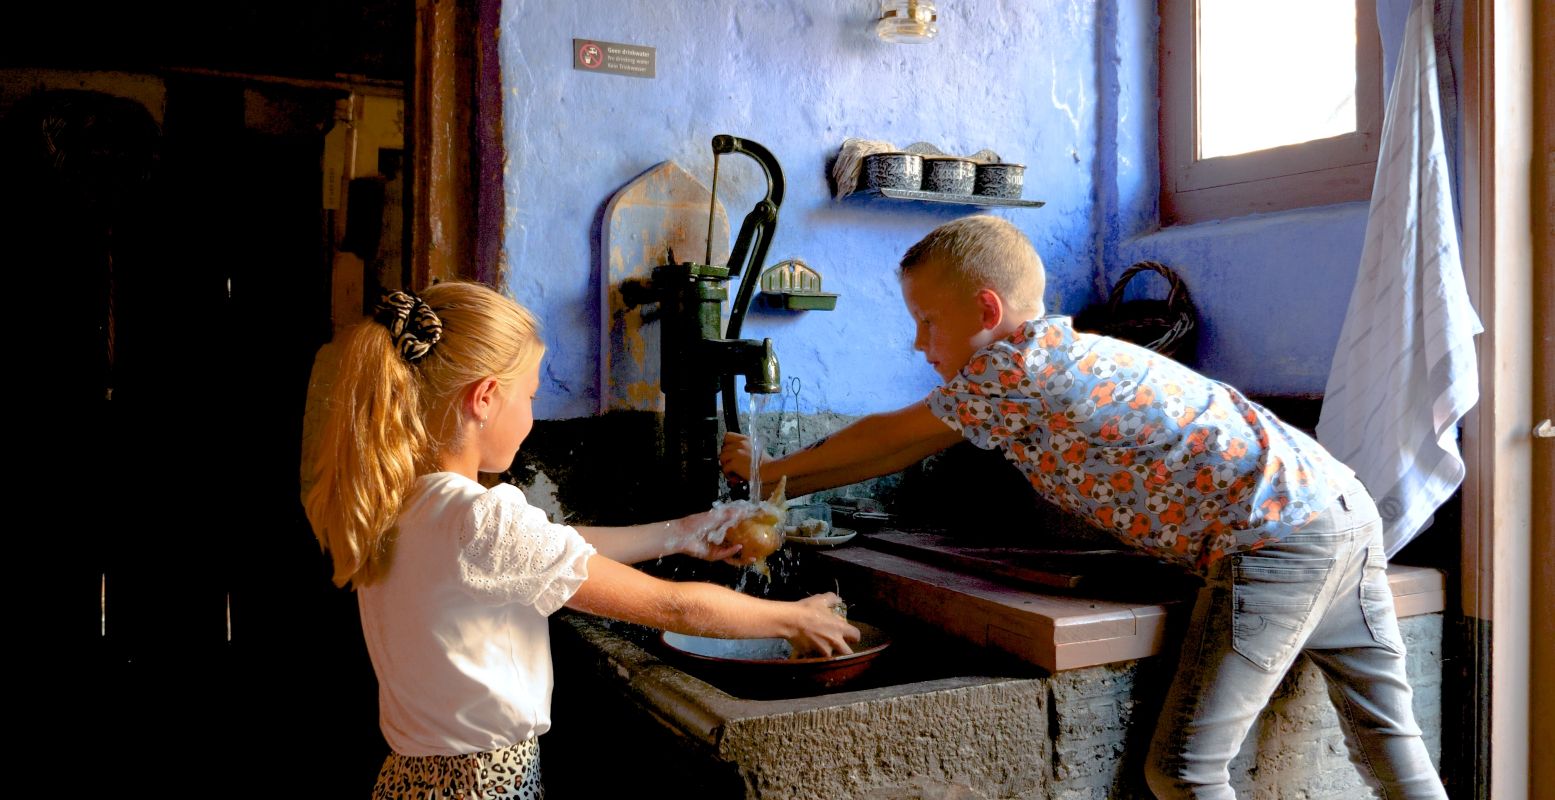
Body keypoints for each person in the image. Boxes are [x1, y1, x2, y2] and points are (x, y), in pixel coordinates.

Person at [720, 215, 1446, 799]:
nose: (918, 343)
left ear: (986, 309)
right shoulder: (1060, 357)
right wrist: (782, 485)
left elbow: (896, 440)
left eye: (926, 322)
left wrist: (771, 470)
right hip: (1339, 509)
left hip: (1276, 537)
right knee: (1389, 744)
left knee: (1185, 771)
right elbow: (902, 446)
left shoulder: (1016, 366)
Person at [306, 282, 858, 799]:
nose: (531, 417)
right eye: (529, 397)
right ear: (485, 398)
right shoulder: (482, 518)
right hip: (481, 784)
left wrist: (680, 534)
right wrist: (793, 618)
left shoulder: (402, 499)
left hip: (409, 778)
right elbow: (673, 606)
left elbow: (553, 544)